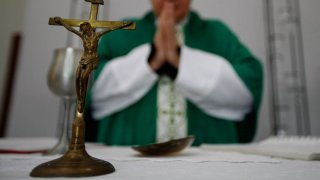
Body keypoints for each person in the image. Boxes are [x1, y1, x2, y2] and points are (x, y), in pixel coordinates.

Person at [85, 0, 263, 146]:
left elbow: (248, 83)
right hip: (130, 155)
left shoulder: (218, 33)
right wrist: (151, 58)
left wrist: (180, 59)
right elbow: (91, 88)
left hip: (206, 161)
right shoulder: (120, 32)